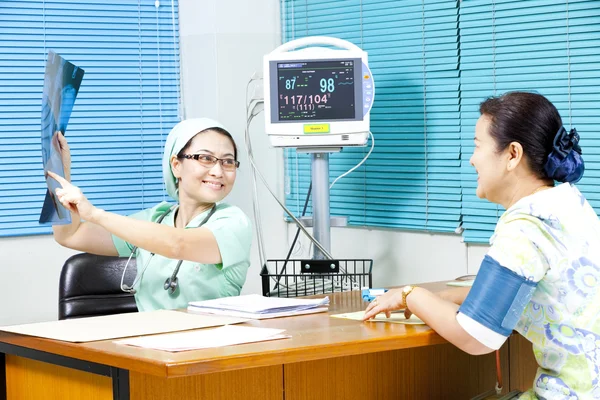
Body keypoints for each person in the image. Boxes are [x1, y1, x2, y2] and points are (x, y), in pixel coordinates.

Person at [364, 92, 600, 399]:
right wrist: (452, 297)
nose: (472, 159)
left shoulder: (525, 225)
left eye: (477, 146)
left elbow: (477, 338)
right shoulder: (567, 203)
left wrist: (412, 295)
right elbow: (549, 291)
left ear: (512, 154)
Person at [50, 118, 252, 312]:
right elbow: (69, 234)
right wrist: (60, 172)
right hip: (148, 341)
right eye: (205, 158)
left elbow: (177, 244)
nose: (218, 171)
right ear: (176, 165)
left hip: (212, 341)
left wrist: (95, 214)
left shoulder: (234, 223)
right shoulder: (156, 218)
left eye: (228, 162)